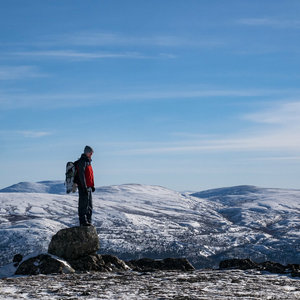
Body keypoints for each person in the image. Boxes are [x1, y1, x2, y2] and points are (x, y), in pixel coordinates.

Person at [75, 145, 95, 226]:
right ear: (87, 152)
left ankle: (88, 220)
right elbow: (81, 175)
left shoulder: (88, 162)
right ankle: (83, 221)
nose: (91, 154)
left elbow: (90, 175)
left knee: (89, 205)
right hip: (84, 187)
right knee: (83, 204)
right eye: (91, 153)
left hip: (89, 187)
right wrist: (84, 187)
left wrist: (92, 185)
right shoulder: (82, 161)